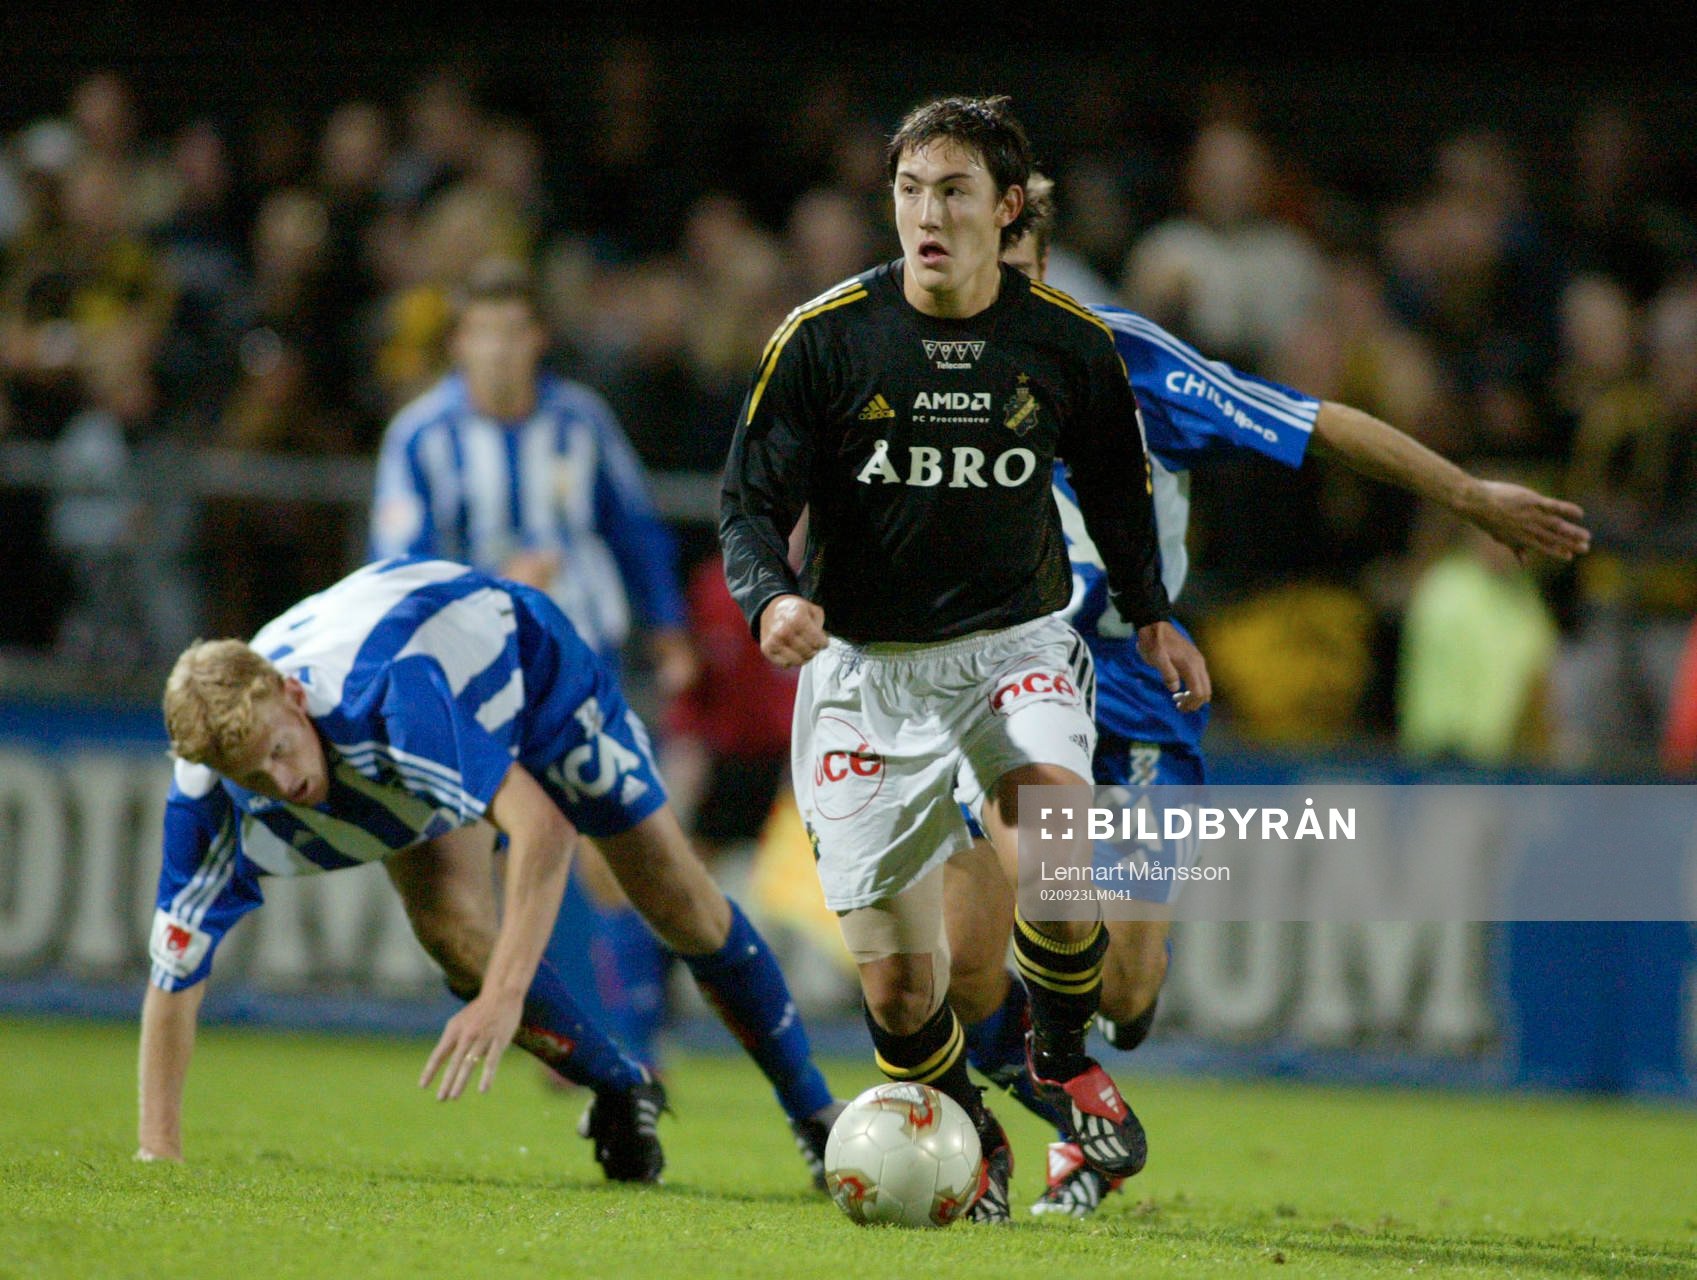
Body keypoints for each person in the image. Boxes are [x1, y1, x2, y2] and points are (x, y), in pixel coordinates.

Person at [945, 172, 1592, 1217]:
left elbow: (1316, 422)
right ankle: (1052, 1114)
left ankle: (1074, 1088)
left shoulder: (1123, 358)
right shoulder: (922, 366)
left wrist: (1469, 495)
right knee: (991, 943)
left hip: (1135, 687)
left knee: (1126, 989)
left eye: (1012, 267)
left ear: (1042, 264)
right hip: (1000, 686)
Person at [720, 96, 1210, 1224]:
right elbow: (748, 501)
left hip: (1013, 644)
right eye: (907, 191)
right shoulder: (826, 337)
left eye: (950, 191)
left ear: (1006, 209)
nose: (925, 214)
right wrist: (767, 599)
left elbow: (1121, 494)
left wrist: (1148, 612)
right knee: (898, 990)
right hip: (860, 673)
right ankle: (963, 1118)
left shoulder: (1067, 346)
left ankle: (1053, 1055)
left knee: (1051, 816)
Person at [136, 558, 841, 1186]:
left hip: (530, 678)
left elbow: (542, 827)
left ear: (292, 697)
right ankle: (622, 1092)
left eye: (281, 751)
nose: (281, 781)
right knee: (453, 934)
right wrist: (158, 1152)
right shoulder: (205, 798)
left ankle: (811, 1110)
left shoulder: (389, 701)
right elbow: (174, 977)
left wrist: (504, 997)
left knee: (675, 901)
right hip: (412, 733)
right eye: (251, 775)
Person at [370, 259, 694, 1068]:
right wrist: (493, 588)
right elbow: (397, 569)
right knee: (472, 868)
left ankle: (639, 1045)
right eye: (484, 333)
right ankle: (557, 1034)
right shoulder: (420, 437)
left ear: (537, 338)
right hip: (468, 681)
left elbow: (635, 527)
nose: (500, 350)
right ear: (458, 343)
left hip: (580, 665)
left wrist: (669, 630)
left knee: (611, 854)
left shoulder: (579, 422)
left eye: (514, 332)